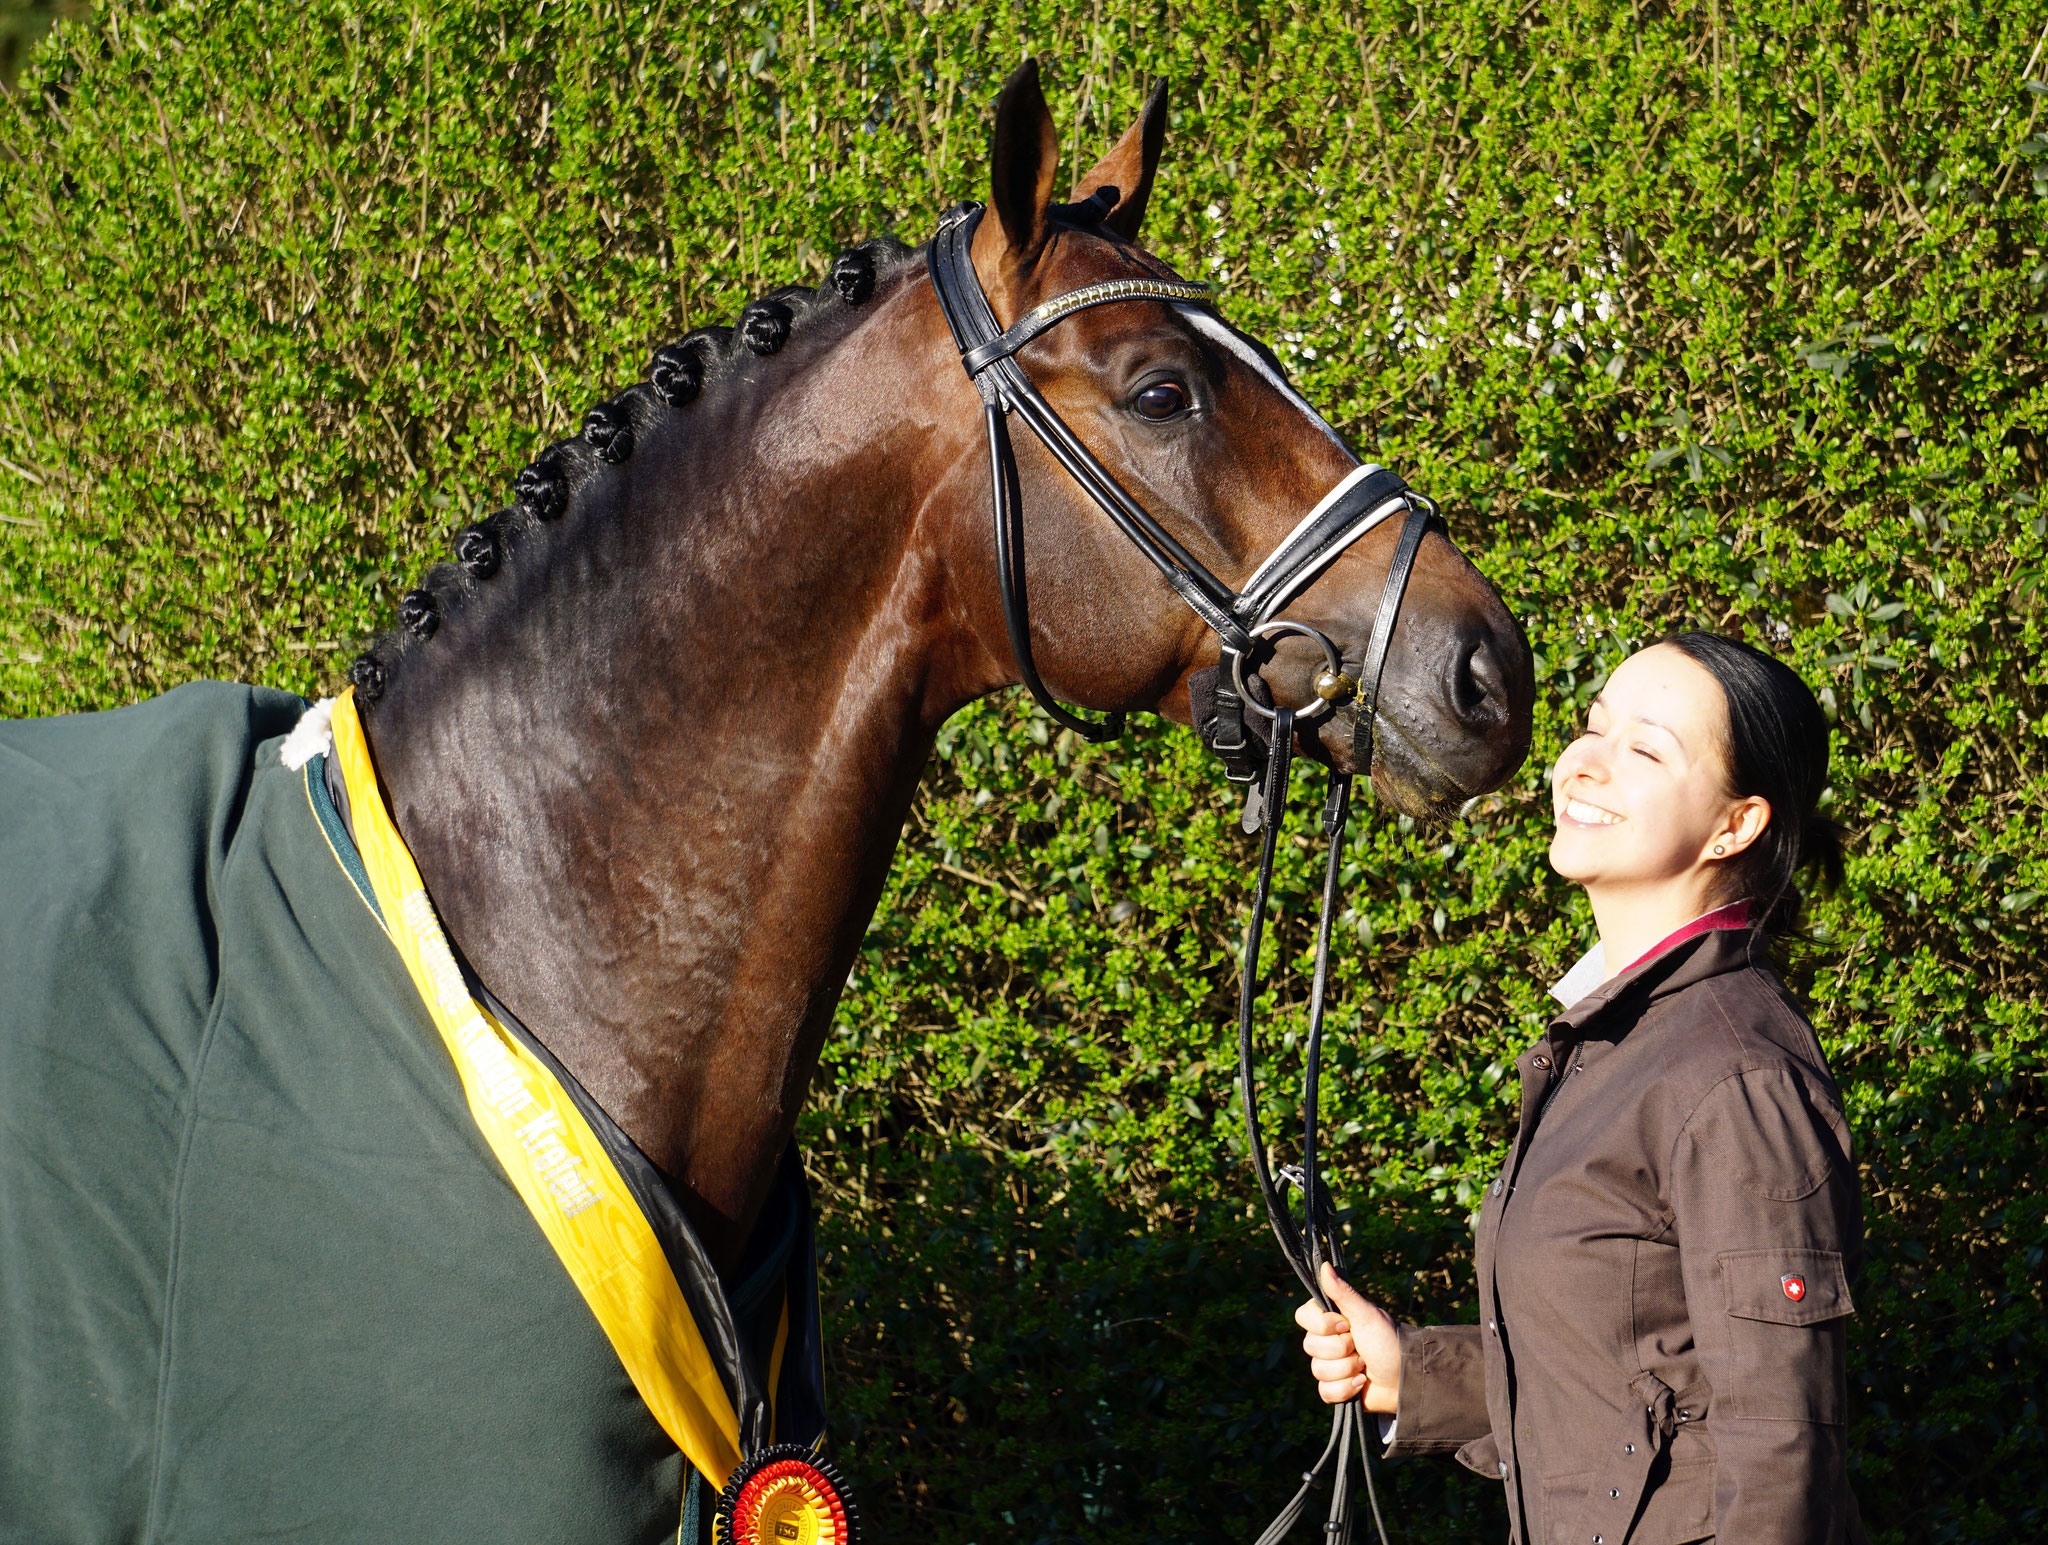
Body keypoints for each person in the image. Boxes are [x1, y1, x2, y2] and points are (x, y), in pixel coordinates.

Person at [1297, 633, 1864, 1544]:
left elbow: (1780, 1446)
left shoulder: (1736, 1073)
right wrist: (1411, 1370)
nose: (1585, 762)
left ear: (1735, 824)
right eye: (1594, 726)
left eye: (1644, 749)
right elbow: (1616, 1373)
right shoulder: (1619, 1041)